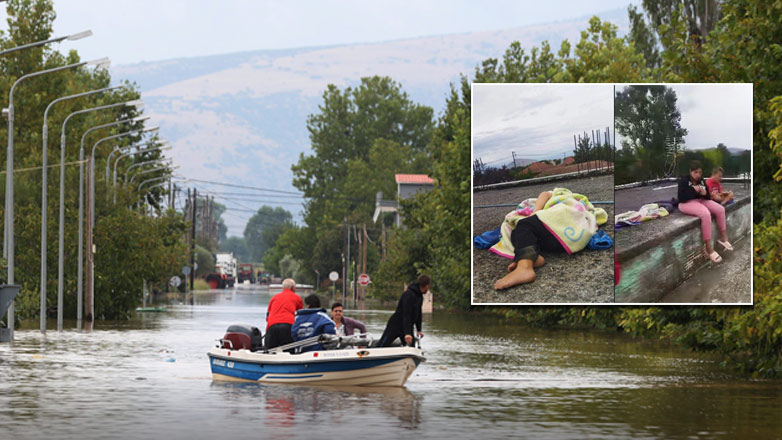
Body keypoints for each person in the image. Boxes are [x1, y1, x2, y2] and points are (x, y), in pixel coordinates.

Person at [678, 161, 732, 264]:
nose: (698, 175)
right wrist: (694, 190)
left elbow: (708, 197)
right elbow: (681, 197)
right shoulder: (684, 180)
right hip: (686, 203)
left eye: (699, 172)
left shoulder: (701, 180)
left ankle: (723, 238)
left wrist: (705, 193)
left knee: (720, 209)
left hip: (700, 201)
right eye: (695, 172)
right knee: (705, 214)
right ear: (691, 171)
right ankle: (708, 247)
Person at [378, 275, 430, 347]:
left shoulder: (419, 296)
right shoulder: (409, 294)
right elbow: (406, 314)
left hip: (407, 327)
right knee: (382, 346)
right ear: (427, 286)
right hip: (396, 325)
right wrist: (407, 333)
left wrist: (419, 330)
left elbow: (418, 314)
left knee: (411, 348)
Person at [264, 278, 303, 350]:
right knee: (288, 351)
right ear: (293, 288)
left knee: (270, 351)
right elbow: (302, 315)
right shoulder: (297, 298)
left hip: (272, 325)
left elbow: (268, 316)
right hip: (288, 325)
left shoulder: (274, 298)